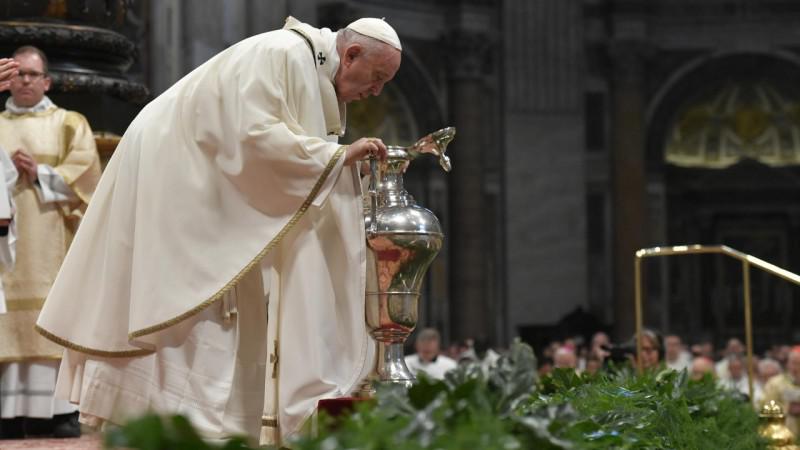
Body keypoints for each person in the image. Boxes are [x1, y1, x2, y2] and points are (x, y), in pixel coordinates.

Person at [35, 17, 402, 444]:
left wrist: (330, 159)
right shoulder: (283, 54)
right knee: (194, 297)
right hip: (176, 172)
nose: (375, 91)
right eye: (376, 78)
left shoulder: (307, 65)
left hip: (199, 175)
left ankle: (214, 424)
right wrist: (334, 158)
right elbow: (253, 138)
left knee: (227, 295)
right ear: (351, 54)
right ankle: (172, 420)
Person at [0, 46, 101, 439]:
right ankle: (9, 413)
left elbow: (87, 177)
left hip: (52, 240)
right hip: (7, 246)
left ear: (47, 81)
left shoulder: (68, 123)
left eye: (32, 74)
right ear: (8, 79)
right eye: (18, 73)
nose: (25, 80)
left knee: (53, 318)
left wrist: (40, 172)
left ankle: (58, 413)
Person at [761, 348, 800, 435]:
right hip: (783, 433)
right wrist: (787, 409)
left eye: (799, 364)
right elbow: (766, 406)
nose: (797, 367)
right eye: (794, 363)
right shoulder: (775, 383)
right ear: (788, 364)